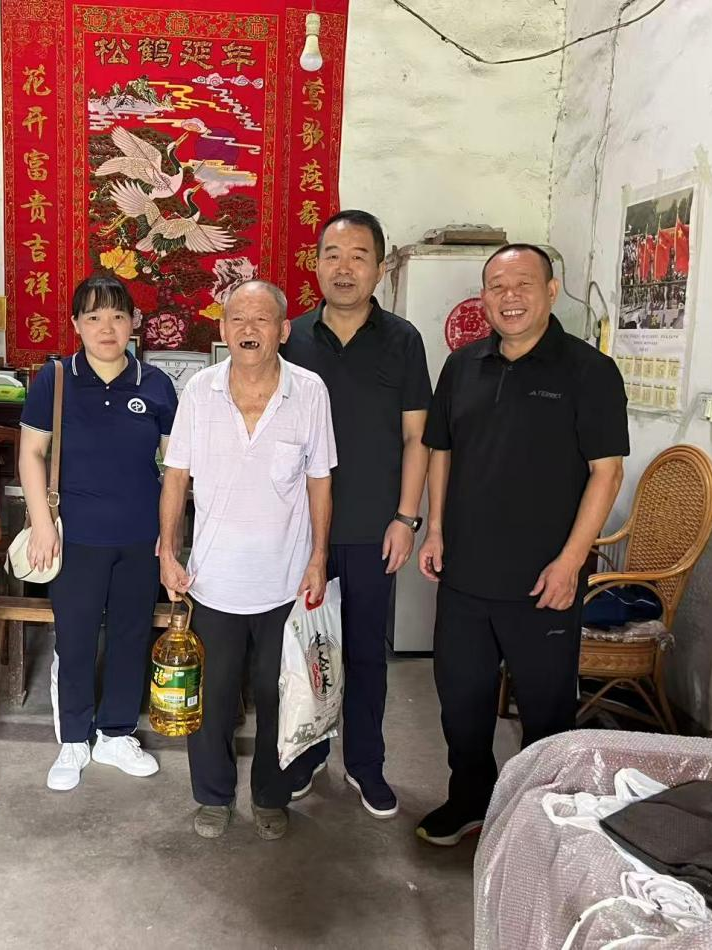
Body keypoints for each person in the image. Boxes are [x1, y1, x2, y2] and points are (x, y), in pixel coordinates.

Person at [416, 243, 628, 847]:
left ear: (551, 291)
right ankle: (469, 800)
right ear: (484, 297)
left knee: (546, 710)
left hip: (544, 579)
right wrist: (436, 528)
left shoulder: (588, 371)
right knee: (462, 700)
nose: (510, 298)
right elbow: (440, 450)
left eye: (523, 285)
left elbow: (607, 472)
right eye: (497, 287)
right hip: (464, 573)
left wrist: (571, 561)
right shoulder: (463, 366)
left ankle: (540, 820)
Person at [159, 279, 336, 841]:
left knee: (278, 696)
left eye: (262, 320)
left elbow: (320, 481)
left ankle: (270, 795)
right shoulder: (200, 391)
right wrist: (168, 548)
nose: (249, 330)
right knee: (211, 698)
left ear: (283, 330)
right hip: (213, 579)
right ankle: (213, 797)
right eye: (238, 319)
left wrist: (318, 558)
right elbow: (176, 476)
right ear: (223, 328)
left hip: (285, 581)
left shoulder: (309, 392)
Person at [280, 209, 431, 818]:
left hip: (373, 527)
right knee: (306, 647)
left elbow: (417, 438)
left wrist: (406, 518)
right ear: (316, 263)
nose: (344, 269)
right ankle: (308, 753)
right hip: (299, 530)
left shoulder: (403, 340)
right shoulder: (291, 337)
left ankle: (366, 764)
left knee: (367, 652)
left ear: (380, 267)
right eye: (333, 255)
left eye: (358, 256)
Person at [18, 274, 177, 791]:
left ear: (134, 323)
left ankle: (116, 734)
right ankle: (73, 739)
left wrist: (170, 537)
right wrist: (43, 525)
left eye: (117, 316)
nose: (106, 328)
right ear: (76, 324)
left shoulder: (156, 385)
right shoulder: (56, 380)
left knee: (131, 635)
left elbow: (177, 468)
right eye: (93, 317)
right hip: (76, 538)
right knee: (76, 637)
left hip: (140, 537)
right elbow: (31, 454)